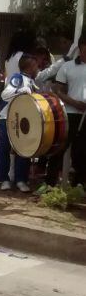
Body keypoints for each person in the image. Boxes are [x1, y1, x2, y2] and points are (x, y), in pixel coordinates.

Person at [49, 35, 86, 187]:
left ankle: (79, 184)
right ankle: (49, 183)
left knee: (82, 151)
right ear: (80, 47)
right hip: (69, 114)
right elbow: (58, 91)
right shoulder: (68, 66)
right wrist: (74, 103)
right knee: (60, 148)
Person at [0, 54, 38, 192]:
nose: (37, 68)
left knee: (24, 149)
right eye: (36, 65)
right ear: (30, 67)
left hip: (23, 120)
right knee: (4, 149)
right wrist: (19, 91)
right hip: (8, 118)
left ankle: (21, 179)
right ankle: (4, 179)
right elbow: (5, 95)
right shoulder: (17, 78)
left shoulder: (31, 81)